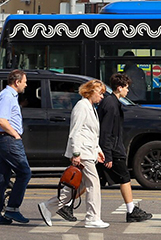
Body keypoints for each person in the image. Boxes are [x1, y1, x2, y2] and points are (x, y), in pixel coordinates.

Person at [38, 80, 108, 229]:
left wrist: (98, 150)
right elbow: (75, 132)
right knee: (94, 184)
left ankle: (48, 206)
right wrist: (76, 153)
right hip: (83, 152)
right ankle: (92, 218)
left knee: (76, 186)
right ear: (91, 91)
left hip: (89, 151)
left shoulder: (90, 107)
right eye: (100, 93)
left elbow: (90, 133)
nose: (102, 97)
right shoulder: (81, 106)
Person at [97, 73, 152, 223]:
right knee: (124, 178)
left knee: (93, 181)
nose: (128, 91)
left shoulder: (113, 102)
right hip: (113, 150)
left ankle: (65, 204)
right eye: (126, 88)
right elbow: (106, 131)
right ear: (119, 88)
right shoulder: (111, 104)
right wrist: (107, 155)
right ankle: (131, 211)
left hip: (112, 147)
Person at [0, 70, 32, 225]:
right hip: (8, 140)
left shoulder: (8, 96)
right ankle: (12, 209)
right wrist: (15, 134)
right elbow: (1, 120)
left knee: (2, 176)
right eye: (25, 81)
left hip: (3, 139)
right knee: (24, 172)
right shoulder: (7, 97)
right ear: (17, 82)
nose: (26, 84)